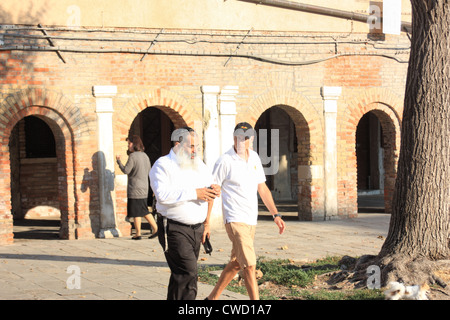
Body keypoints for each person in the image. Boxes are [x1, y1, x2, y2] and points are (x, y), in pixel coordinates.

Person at [206, 122, 286, 300]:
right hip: (234, 219)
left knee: (236, 263)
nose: (241, 140)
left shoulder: (255, 158)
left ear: (251, 139)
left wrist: (276, 214)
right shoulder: (224, 160)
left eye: (245, 137)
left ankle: (211, 298)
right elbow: (212, 191)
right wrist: (206, 223)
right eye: (238, 137)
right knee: (249, 265)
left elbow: (262, 188)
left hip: (251, 219)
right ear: (234, 138)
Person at [149, 127, 220, 300]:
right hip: (173, 228)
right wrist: (195, 193)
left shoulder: (199, 165)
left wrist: (207, 222)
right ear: (178, 144)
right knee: (189, 272)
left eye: (198, 146)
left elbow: (208, 192)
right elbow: (162, 196)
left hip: (196, 229)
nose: (195, 150)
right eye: (191, 146)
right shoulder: (163, 164)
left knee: (180, 276)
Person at [116, 135, 157, 240]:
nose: (128, 146)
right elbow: (149, 171)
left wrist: (119, 162)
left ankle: (156, 228)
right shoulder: (145, 156)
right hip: (144, 187)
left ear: (134, 144)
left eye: (129, 143)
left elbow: (126, 170)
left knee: (142, 210)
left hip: (135, 188)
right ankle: (138, 233)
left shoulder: (133, 156)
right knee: (138, 211)